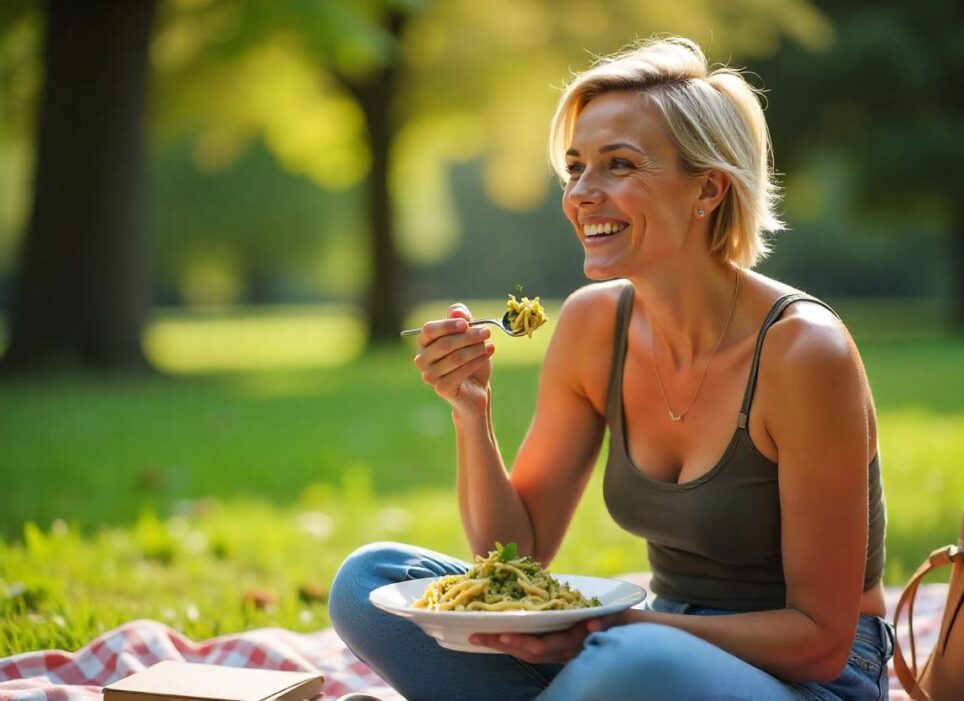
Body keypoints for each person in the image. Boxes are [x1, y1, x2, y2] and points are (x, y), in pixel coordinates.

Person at [329, 36, 892, 701]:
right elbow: (516, 555)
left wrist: (621, 626)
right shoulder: (594, 325)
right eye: (575, 168)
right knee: (371, 581)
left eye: (617, 165)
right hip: (643, 642)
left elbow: (822, 639)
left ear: (708, 188)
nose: (581, 195)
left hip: (808, 679)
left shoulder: (804, 352)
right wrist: (471, 413)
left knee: (628, 665)